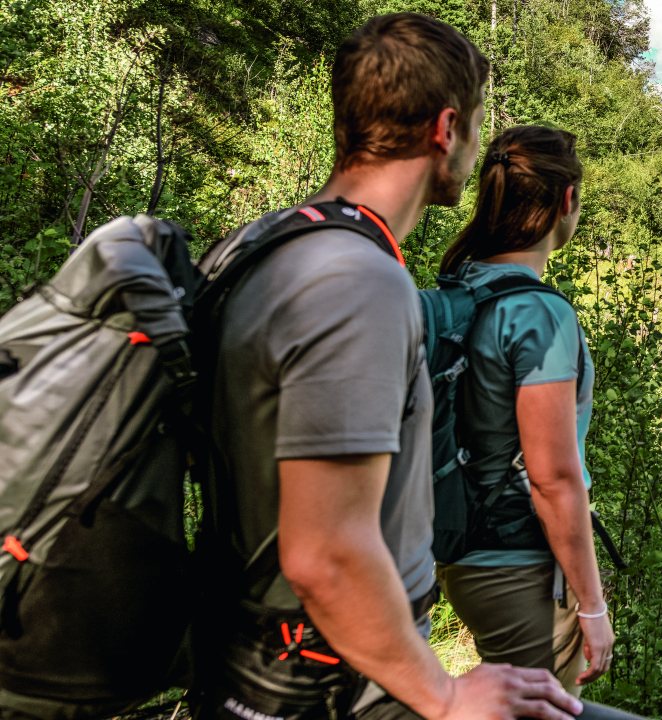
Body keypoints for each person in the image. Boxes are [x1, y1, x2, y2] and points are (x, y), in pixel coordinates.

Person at [194, 14, 582, 720]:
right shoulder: (357, 282)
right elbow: (327, 554)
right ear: (445, 130)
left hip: (247, 653)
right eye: (474, 130)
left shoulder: (262, 245)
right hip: (327, 681)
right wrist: (444, 694)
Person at [433, 126, 614, 696]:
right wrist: (591, 605)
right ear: (567, 202)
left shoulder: (456, 291)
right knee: (546, 708)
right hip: (522, 565)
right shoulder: (540, 314)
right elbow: (554, 478)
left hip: (460, 551)